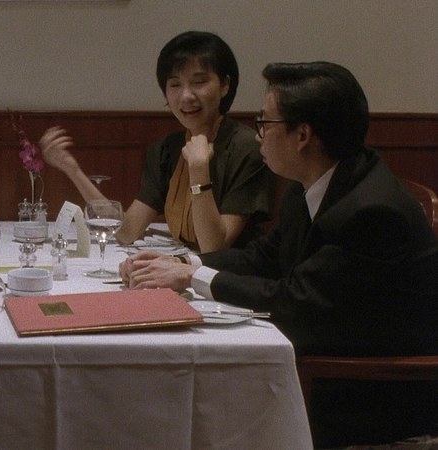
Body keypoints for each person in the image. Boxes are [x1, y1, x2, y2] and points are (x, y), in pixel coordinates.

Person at [120, 61, 438, 446]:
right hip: (323, 359)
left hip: (368, 394)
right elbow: (267, 256)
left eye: (264, 123)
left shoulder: (372, 211)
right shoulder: (314, 183)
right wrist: (185, 262)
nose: (258, 135)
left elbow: (297, 302)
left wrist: (192, 278)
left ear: (302, 135)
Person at [40, 31, 276, 251]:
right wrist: (73, 170)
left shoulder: (247, 148)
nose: (186, 96)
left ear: (225, 85)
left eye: (199, 82)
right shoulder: (167, 149)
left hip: (233, 276)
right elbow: (126, 231)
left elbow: (214, 248)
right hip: (182, 268)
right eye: (175, 84)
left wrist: (198, 170)